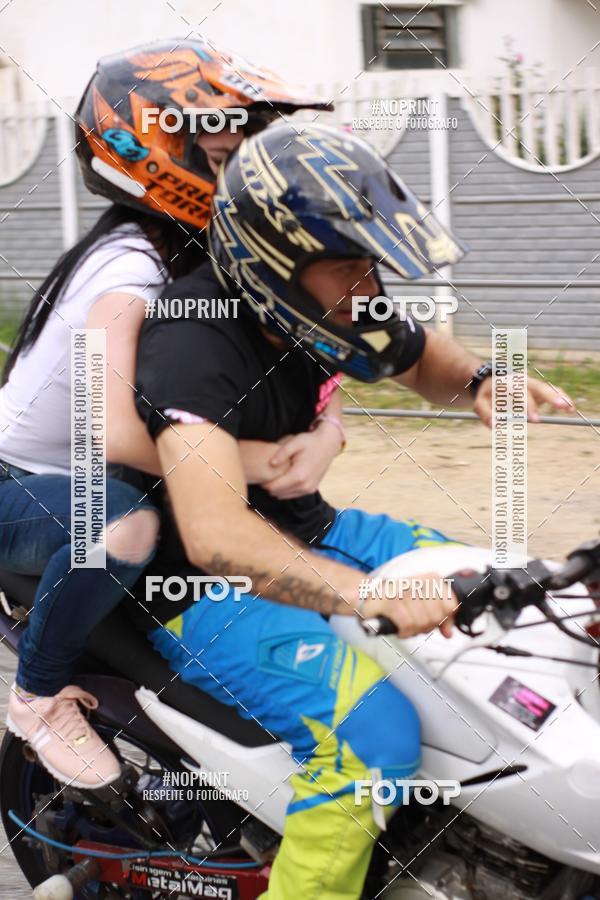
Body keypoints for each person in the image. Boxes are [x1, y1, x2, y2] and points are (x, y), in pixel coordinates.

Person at [126, 123, 573, 899]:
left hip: (315, 531)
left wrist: (482, 381)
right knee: (372, 740)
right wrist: (369, 597)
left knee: (521, 605)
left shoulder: (324, 301)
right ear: (273, 259)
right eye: (349, 265)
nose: (368, 284)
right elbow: (215, 535)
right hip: (198, 591)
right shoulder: (193, 340)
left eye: (370, 263)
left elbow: (417, 354)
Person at [0, 38, 341, 789]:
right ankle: (38, 695)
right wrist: (255, 460)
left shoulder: (211, 258)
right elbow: (114, 434)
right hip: (25, 484)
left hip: (110, 474)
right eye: (226, 148)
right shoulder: (130, 269)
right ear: (158, 152)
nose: (250, 162)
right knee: (123, 524)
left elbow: (314, 363)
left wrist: (326, 435)